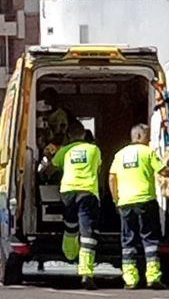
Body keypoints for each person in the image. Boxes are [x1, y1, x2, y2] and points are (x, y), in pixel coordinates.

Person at [109, 123, 169, 290]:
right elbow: (164, 172)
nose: (149, 139)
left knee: (128, 242)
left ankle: (130, 280)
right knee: (149, 240)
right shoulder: (148, 152)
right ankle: (153, 277)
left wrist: (116, 199)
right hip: (145, 201)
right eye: (148, 135)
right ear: (140, 137)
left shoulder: (120, 155)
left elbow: (112, 178)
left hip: (126, 203)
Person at [45, 120, 102, 290]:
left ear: (68, 136)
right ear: (84, 134)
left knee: (70, 225)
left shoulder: (64, 151)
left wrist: (48, 159)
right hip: (87, 192)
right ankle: (86, 272)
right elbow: (99, 170)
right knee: (87, 233)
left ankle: (69, 254)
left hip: (68, 192)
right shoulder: (94, 150)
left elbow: (50, 170)